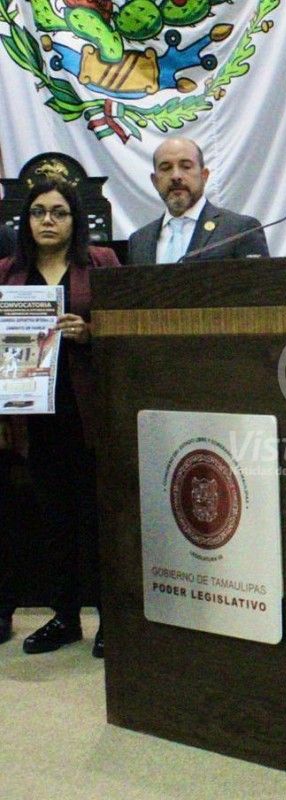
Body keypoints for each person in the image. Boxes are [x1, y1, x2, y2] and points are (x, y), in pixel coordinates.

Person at [0, 178, 120, 656]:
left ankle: (112, 620)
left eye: (59, 212)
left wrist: (90, 331)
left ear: (75, 220)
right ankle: (65, 617)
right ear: (25, 221)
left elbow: (127, 325)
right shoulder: (8, 273)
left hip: (89, 412)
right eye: (38, 212)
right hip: (34, 417)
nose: (47, 221)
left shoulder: (101, 263)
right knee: (55, 521)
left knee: (99, 519)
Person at [128, 137, 269, 264]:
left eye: (186, 167)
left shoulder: (241, 230)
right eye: (166, 168)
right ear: (155, 181)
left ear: (204, 175)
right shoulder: (139, 241)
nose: (176, 176)